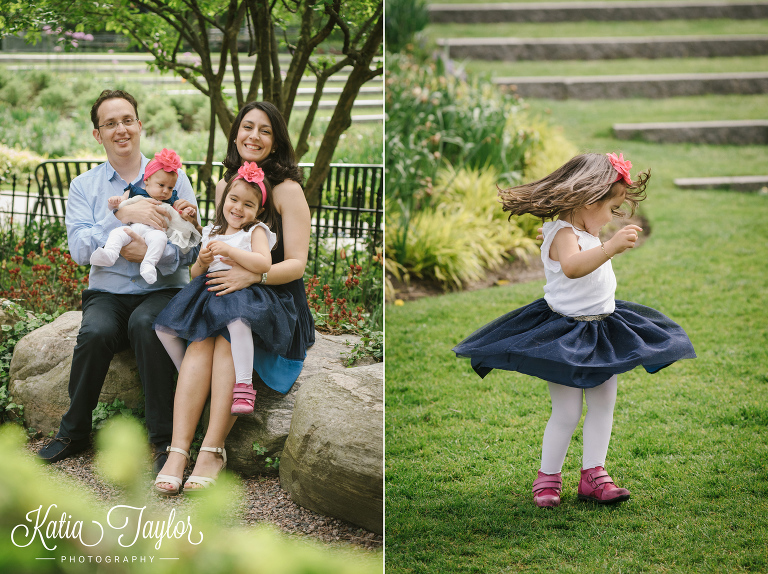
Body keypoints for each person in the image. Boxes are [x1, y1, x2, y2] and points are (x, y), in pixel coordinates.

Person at [453, 152, 696, 507]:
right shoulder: (565, 234)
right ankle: (548, 478)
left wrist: (591, 239)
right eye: (611, 209)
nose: (612, 218)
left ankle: (594, 475)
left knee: (603, 405)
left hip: (603, 331)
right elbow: (572, 267)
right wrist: (609, 247)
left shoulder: (574, 230)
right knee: (566, 412)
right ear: (586, 200)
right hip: (567, 336)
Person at [153, 101, 314, 494]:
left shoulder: (289, 191)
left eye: (264, 131)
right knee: (200, 340)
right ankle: (177, 451)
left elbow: (296, 265)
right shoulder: (226, 185)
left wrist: (252, 274)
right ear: (236, 132)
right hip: (226, 292)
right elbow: (223, 238)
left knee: (225, 340)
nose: (253, 136)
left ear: (276, 142)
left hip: (275, 299)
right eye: (247, 127)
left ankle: (212, 450)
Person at [37, 90, 200, 473]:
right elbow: (79, 250)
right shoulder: (85, 186)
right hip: (107, 292)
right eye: (110, 123)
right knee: (94, 332)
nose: (120, 129)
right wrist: (120, 215)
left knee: (148, 326)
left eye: (127, 120)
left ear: (139, 126)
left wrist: (149, 254)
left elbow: (191, 247)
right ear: (98, 134)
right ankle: (73, 433)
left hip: (162, 288)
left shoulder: (174, 177)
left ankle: (166, 442)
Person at [153, 161, 294, 422]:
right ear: (224, 200)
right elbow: (195, 274)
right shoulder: (212, 231)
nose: (238, 208)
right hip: (208, 292)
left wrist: (230, 251)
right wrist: (203, 261)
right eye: (233, 199)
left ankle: (243, 386)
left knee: (238, 322)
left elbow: (264, 263)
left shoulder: (255, 231)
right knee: (164, 329)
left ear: (258, 211)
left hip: (240, 293)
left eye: (248, 204)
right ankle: (188, 374)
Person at [90, 148, 202, 284]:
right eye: (161, 185)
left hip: (154, 232)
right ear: (147, 180)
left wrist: (186, 212)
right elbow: (120, 206)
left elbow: (180, 217)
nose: (166, 191)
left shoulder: (171, 201)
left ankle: (148, 264)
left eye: (170, 188)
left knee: (160, 240)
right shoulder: (135, 191)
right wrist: (115, 203)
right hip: (132, 229)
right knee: (117, 233)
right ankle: (109, 254)